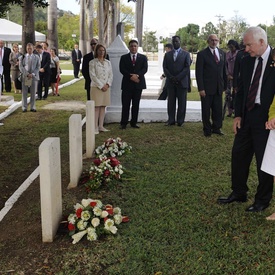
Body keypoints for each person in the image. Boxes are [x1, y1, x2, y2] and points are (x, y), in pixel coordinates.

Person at [217, 26, 275, 212]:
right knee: (239, 154)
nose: (246, 49)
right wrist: (238, 114)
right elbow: (240, 88)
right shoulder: (245, 59)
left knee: (263, 161)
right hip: (247, 115)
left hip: (266, 118)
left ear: (261, 42)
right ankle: (239, 192)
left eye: (249, 45)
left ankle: (262, 200)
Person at [195, 34, 227, 137]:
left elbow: (224, 71)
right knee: (206, 110)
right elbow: (199, 73)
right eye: (212, 40)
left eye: (216, 40)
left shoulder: (222, 53)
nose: (214, 42)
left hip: (218, 87)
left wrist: (225, 86)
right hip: (206, 88)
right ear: (208, 41)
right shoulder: (202, 54)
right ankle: (207, 129)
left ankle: (217, 128)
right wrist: (201, 88)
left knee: (218, 109)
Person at [119, 39, 148, 129]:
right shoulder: (124, 57)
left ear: (137, 47)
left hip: (138, 84)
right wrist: (131, 76)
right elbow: (122, 69)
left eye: (135, 46)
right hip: (127, 84)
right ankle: (123, 123)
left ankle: (134, 122)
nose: (133, 47)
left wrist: (137, 76)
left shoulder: (143, 58)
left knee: (136, 104)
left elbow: (145, 69)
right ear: (129, 47)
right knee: (126, 104)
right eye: (131, 46)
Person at [163, 36, 191, 126]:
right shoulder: (167, 54)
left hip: (182, 82)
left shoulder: (186, 54)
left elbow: (187, 68)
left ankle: (180, 121)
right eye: (174, 42)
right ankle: (171, 120)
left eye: (177, 41)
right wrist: (171, 77)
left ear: (180, 42)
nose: (175, 43)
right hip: (171, 82)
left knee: (182, 102)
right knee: (171, 102)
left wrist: (178, 77)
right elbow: (165, 67)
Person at [89, 43, 113, 134]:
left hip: (106, 88)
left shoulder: (108, 62)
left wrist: (107, 84)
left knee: (103, 106)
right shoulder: (92, 62)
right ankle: (94, 127)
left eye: (103, 50)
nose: (102, 52)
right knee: (96, 107)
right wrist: (101, 85)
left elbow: (111, 74)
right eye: (100, 50)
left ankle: (101, 126)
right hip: (96, 87)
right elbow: (93, 76)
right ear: (96, 51)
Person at [18, 43, 40, 112]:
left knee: (33, 92)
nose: (29, 50)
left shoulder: (36, 57)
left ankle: (32, 107)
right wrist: (27, 74)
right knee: (24, 92)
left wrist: (32, 74)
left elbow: (38, 67)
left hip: (33, 76)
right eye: (28, 49)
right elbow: (21, 67)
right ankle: (24, 107)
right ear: (26, 49)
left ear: (33, 49)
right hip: (25, 76)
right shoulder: (22, 57)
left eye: (31, 48)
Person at [225, 39, 240, 117]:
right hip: (228, 77)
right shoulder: (227, 54)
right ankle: (229, 111)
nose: (231, 48)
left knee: (236, 95)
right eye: (229, 47)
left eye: (232, 47)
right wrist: (227, 75)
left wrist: (236, 77)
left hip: (237, 77)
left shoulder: (239, 54)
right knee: (228, 94)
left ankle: (236, 111)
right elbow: (225, 65)